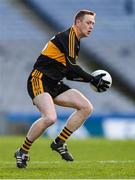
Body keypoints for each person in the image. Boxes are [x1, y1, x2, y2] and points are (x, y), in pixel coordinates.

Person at [14, 9, 110, 168]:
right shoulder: (69, 36)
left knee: (86, 107)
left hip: (54, 83)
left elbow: (70, 74)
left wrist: (91, 81)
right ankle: (22, 152)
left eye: (93, 23)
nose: (91, 26)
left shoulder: (75, 41)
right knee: (50, 118)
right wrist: (93, 79)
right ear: (78, 23)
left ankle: (59, 142)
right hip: (39, 79)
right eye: (88, 22)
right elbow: (72, 67)